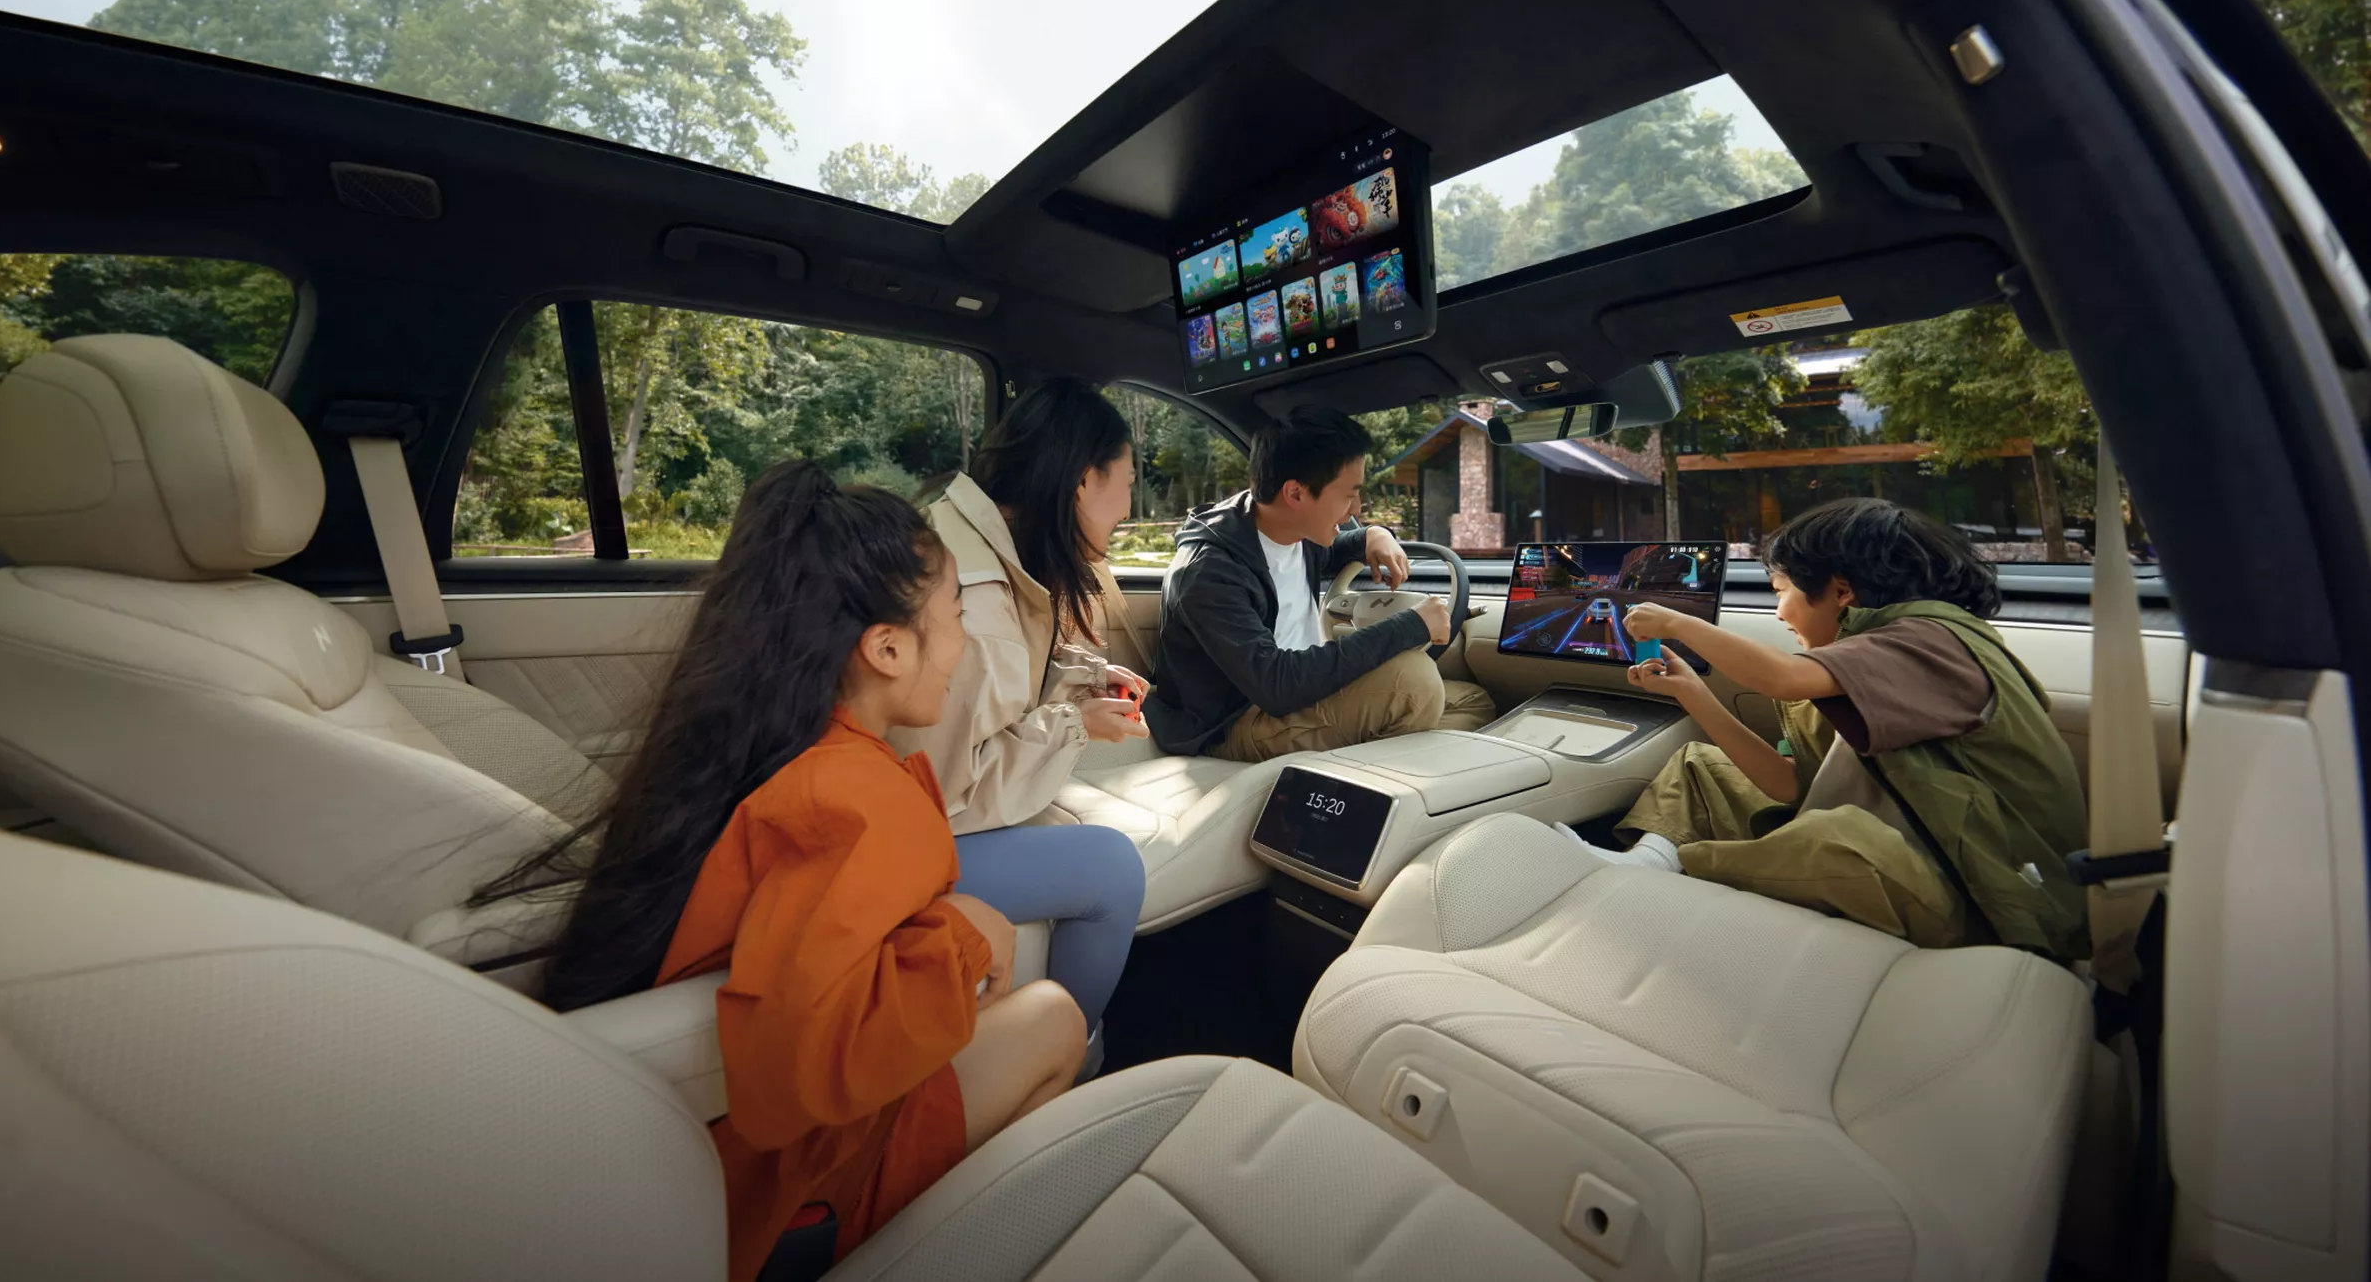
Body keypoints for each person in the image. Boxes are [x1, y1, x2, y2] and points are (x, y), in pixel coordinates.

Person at [477, 461, 1087, 1280]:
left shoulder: (768, 748)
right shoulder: (856, 795)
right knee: (1056, 1019)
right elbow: (807, 1055)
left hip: (695, 1157)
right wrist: (964, 935)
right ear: (887, 647)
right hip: (789, 1189)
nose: (964, 641)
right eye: (955, 615)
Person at [1559, 496, 2089, 959]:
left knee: (1832, 839)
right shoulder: (1856, 658)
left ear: (1841, 591)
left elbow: (1782, 678)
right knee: (1703, 765)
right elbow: (1789, 784)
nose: (1778, 613)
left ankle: (1652, 884)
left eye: (1780, 590)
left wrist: (1676, 623)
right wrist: (1693, 693)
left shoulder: (1934, 641)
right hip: (1921, 848)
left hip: (1994, 897)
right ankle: (1650, 864)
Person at [890, 378, 1151, 1069]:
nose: (1129, 506)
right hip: (906, 841)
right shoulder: (973, 601)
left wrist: (1081, 682)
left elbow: (994, 693)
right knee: (1114, 870)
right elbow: (944, 793)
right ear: (1084, 479)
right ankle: (1067, 1060)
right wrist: (1074, 725)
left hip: (901, 817)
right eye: (1127, 481)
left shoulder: (965, 539)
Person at [1145, 405, 1495, 760]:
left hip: (1300, 692)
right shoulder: (1208, 573)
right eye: (1349, 494)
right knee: (1414, 681)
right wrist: (1410, 626)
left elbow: (1335, 550)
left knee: (1471, 700)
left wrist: (1373, 535)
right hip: (1237, 720)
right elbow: (1276, 684)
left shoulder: (1292, 531)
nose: (1356, 509)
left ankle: (1385, 766)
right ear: (1296, 494)